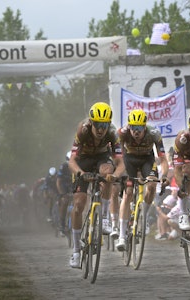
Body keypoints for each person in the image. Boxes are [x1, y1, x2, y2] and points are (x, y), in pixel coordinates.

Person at [67, 102, 124, 268]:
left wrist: (114, 176)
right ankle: (77, 251)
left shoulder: (112, 133)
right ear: (91, 123)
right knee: (78, 205)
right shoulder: (83, 130)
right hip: (83, 161)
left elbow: (121, 162)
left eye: (104, 125)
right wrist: (80, 174)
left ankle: (104, 217)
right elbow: (72, 160)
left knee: (107, 172)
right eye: (98, 125)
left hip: (101, 159)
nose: (101, 129)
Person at [115, 109, 169, 251]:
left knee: (151, 185)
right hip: (129, 160)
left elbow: (163, 159)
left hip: (147, 159)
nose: (136, 132)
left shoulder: (154, 134)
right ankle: (121, 235)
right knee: (128, 193)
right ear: (129, 126)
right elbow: (117, 157)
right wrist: (118, 173)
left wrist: (163, 176)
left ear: (145, 127)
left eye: (139, 128)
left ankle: (144, 216)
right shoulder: (122, 133)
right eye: (133, 128)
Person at [56, 151, 73, 236]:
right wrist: (62, 193)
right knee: (65, 202)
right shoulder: (63, 167)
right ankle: (62, 224)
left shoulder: (77, 165)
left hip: (73, 186)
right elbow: (58, 182)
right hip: (64, 187)